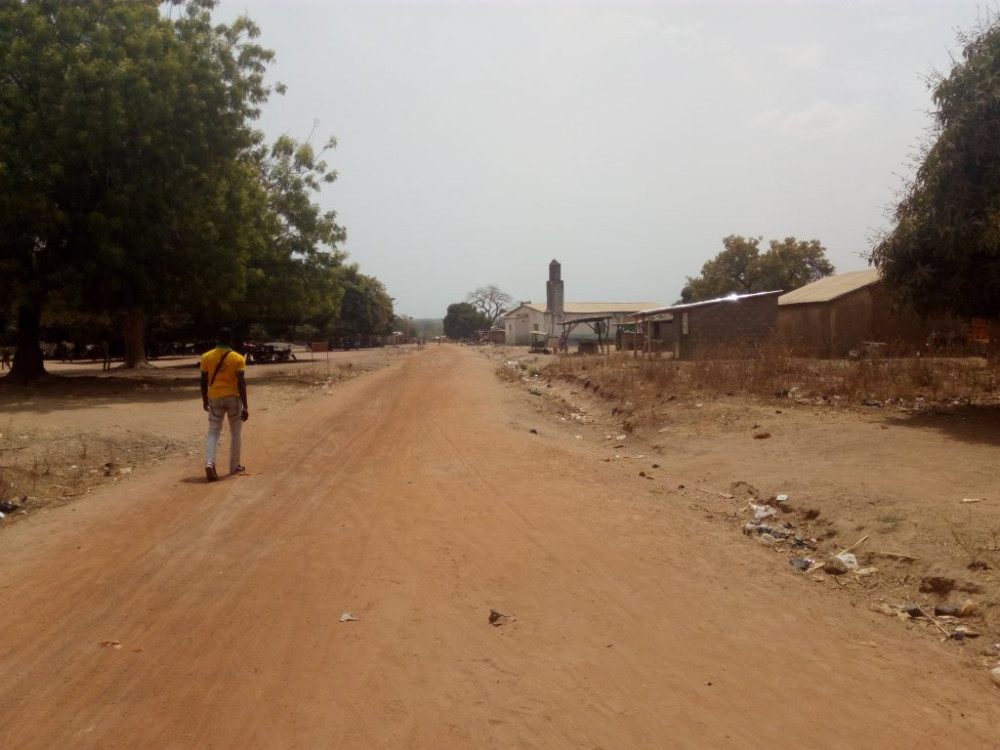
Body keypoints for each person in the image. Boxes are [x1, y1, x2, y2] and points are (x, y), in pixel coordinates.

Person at [199, 327, 249, 481]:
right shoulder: (238, 358)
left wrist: (205, 400)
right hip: (233, 397)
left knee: (213, 432)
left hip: (215, 397)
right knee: (236, 432)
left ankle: (210, 462)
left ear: (217, 339)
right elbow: (241, 382)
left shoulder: (206, 357)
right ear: (231, 340)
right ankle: (234, 465)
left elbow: (202, 380)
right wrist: (245, 406)